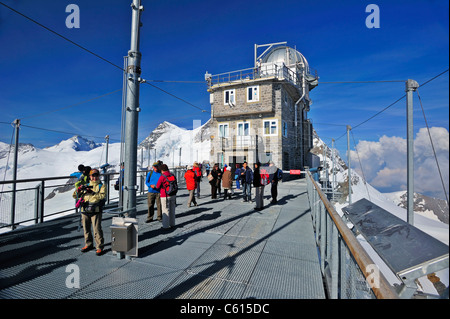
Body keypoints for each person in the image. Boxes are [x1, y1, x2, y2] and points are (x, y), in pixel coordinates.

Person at [73, 169, 106, 256]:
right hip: (85, 210)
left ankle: (99, 247)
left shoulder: (101, 186)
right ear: (90, 177)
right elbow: (74, 196)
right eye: (92, 176)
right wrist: (79, 190)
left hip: (96, 210)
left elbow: (102, 196)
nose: (94, 177)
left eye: (96, 175)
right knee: (86, 229)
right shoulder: (86, 185)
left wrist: (92, 193)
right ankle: (88, 244)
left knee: (97, 229)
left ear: (98, 176)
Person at [156, 164, 177, 230]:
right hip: (173, 194)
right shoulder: (172, 175)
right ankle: (172, 224)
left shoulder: (162, 177)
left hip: (165, 195)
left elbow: (157, 186)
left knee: (165, 210)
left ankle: (165, 226)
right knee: (172, 210)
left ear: (162, 170)